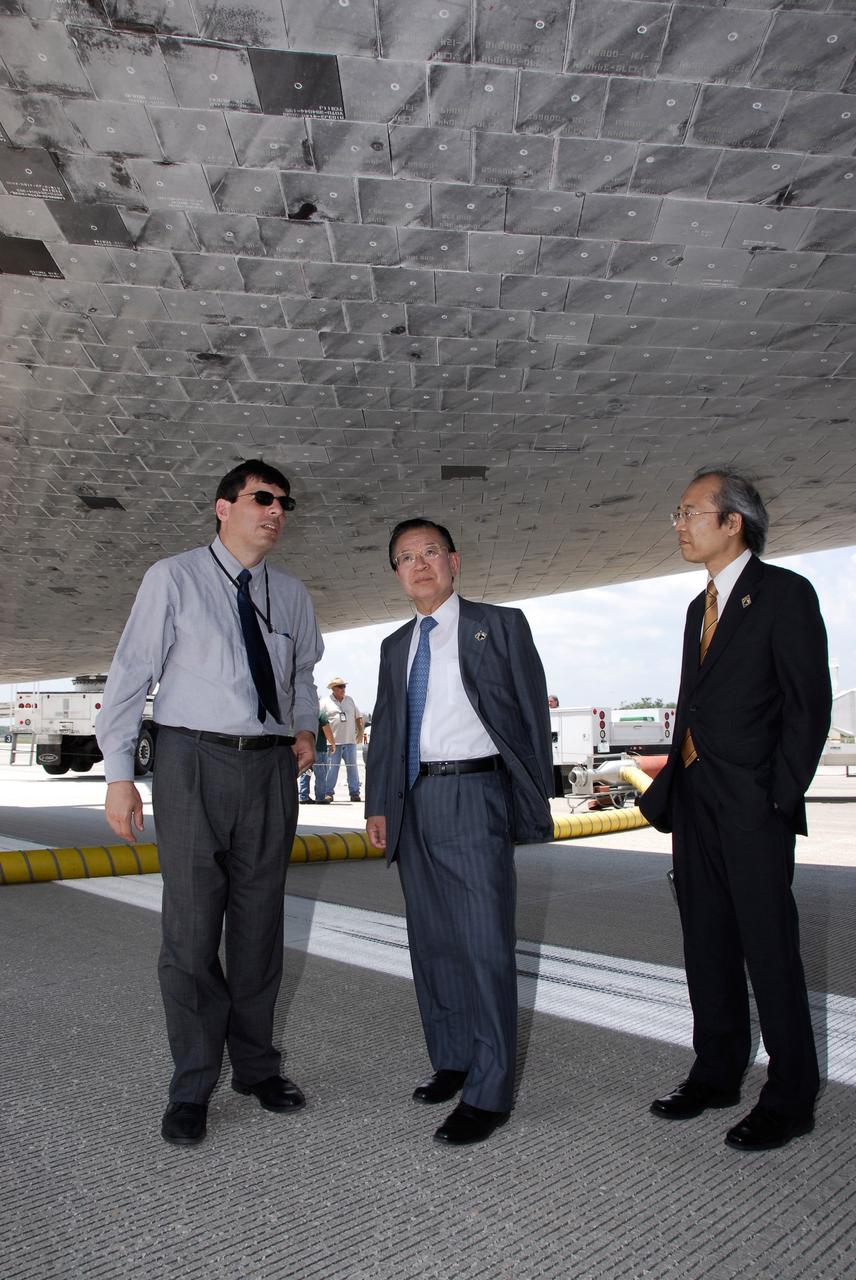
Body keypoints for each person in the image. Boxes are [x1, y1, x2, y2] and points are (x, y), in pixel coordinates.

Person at [96, 459, 323, 1148]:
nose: (275, 511)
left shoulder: (290, 593)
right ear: (222, 507)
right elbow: (132, 673)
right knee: (192, 935)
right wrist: (117, 773)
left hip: (269, 770)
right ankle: (193, 1084)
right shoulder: (174, 578)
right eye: (262, 498)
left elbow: (302, 674)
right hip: (191, 762)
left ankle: (256, 1069)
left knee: (259, 930)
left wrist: (306, 727)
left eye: (283, 501)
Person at [639, 468, 831, 1152]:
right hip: (695, 803)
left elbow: (809, 708)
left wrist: (777, 798)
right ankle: (716, 1070)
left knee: (769, 949)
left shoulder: (785, 595)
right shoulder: (700, 607)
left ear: (732, 522)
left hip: (753, 804)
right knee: (706, 944)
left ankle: (791, 1094)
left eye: (689, 512)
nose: (679, 524)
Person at [365, 518, 554, 1146]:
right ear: (396, 573)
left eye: (430, 554)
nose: (419, 565)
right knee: (434, 942)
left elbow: (528, 713)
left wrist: (530, 801)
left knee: (484, 945)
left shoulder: (499, 626)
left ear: (454, 561)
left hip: (474, 794)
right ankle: (452, 1059)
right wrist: (378, 806)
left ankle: (490, 1091)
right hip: (412, 801)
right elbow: (387, 731)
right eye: (405, 558)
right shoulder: (396, 646)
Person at [319, 677, 364, 802]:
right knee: (332, 769)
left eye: (344, 686)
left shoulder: (350, 700)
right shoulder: (324, 702)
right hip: (333, 743)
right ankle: (328, 793)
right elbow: (319, 720)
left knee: (352, 768)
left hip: (350, 741)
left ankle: (354, 793)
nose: (343, 689)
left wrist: (360, 731)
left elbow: (358, 716)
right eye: (340, 686)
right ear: (333, 688)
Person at [299, 711, 336, 803]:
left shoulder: (302, 714)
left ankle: (303, 796)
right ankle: (320, 797)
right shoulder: (320, 714)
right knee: (321, 774)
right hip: (318, 749)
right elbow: (326, 729)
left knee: (305, 773)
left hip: (304, 748)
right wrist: (333, 743)